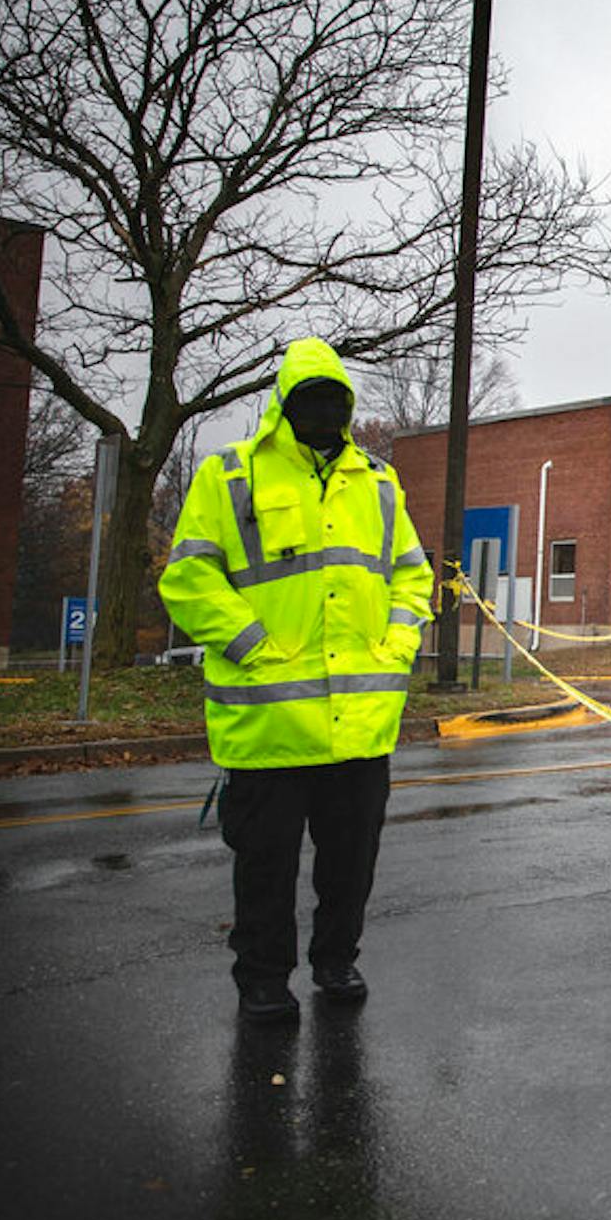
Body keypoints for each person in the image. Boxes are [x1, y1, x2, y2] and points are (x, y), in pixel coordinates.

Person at [159, 338, 433, 1024]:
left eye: (334, 401)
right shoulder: (233, 475)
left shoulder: (376, 481)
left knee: (351, 866)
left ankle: (336, 959)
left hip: (360, 728)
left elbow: (412, 573)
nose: (323, 411)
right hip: (269, 726)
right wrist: (251, 642)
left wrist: (396, 645)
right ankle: (262, 977)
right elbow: (188, 578)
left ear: (346, 407)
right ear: (285, 406)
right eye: (309, 400)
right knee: (264, 868)